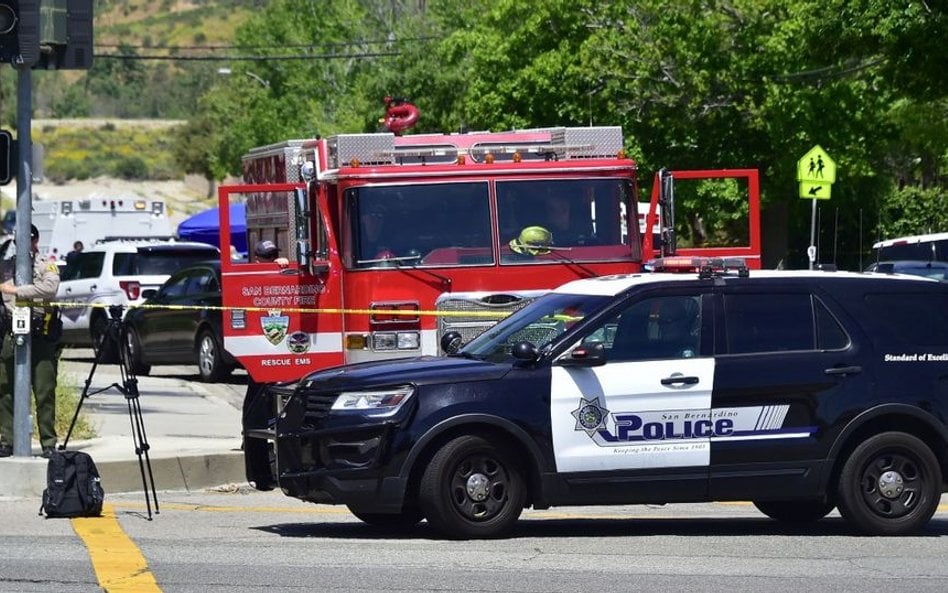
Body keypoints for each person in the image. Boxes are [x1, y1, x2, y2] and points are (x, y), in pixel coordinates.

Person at [0, 224, 62, 458]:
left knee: (45, 390)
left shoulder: (46, 264)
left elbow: (50, 287)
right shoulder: (6, 266)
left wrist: (16, 290)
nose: (24, 246)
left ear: (36, 241)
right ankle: (7, 440)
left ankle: (48, 442)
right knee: (5, 388)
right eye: (19, 242)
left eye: (29, 241)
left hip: (40, 336)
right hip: (11, 333)